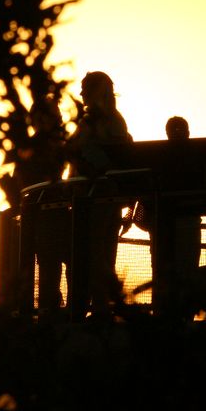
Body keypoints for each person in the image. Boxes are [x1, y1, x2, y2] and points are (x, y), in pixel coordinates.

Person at [67, 71, 133, 319]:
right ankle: (96, 305)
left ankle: (100, 308)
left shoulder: (109, 121)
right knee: (93, 253)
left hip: (99, 201)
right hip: (89, 200)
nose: (81, 93)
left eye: (85, 88)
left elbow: (110, 161)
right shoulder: (97, 120)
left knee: (98, 254)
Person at [12, 95, 71, 313]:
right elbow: (20, 180)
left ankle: (56, 306)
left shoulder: (56, 142)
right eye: (55, 112)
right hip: (44, 214)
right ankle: (51, 308)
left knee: (56, 263)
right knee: (49, 264)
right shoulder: (39, 145)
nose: (60, 116)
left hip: (54, 212)